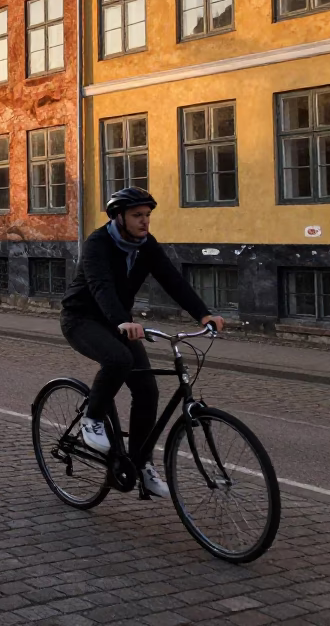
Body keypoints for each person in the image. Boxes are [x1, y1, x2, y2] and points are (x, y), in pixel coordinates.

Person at [60, 187, 226, 498]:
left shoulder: (146, 245)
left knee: (148, 389)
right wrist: (123, 320)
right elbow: (100, 287)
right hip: (82, 319)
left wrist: (203, 315)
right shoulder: (98, 243)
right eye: (137, 215)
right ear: (119, 217)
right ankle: (92, 418)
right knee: (118, 360)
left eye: (147, 215)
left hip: (121, 321)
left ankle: (141, 464)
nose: (144, 221)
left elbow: (172, 280)